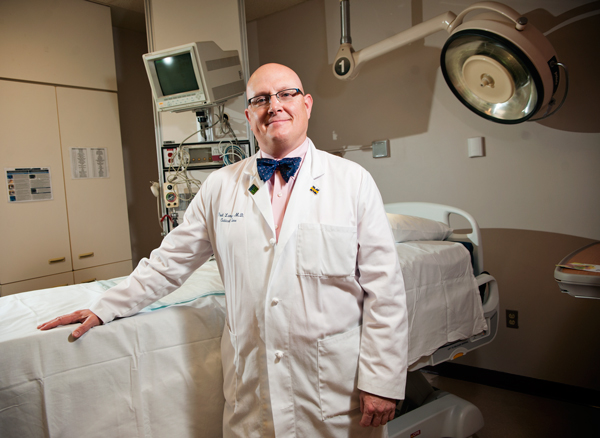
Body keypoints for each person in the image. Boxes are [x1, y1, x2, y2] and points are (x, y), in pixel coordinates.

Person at [38, 63, 408, 437]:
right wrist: (105, 308)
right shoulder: (220, 187)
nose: (274, 106)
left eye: (286, 94)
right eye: (261, 99)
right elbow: (168, 264)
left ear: (307, 104)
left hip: (334, 388)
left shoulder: (351, 181)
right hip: (253, 386)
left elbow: (386, 289)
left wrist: (382, 380)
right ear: (249, 116)